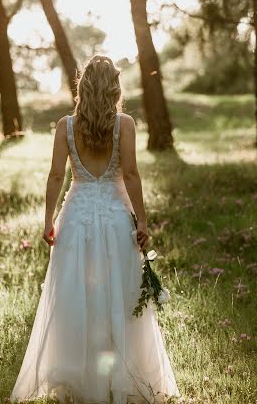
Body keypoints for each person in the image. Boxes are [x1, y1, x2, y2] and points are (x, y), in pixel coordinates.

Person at [10, 55, 180, 404]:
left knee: (76, 297)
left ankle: (81, 377)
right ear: (114, 87)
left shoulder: (66, 126)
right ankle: (123, 376)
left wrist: (48, 219)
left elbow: (57, 175)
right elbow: (130, 175)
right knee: (119, 295)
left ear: (82, 86)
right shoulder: (125, 125)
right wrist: (142, 221)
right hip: (117, 217)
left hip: (76, 218)